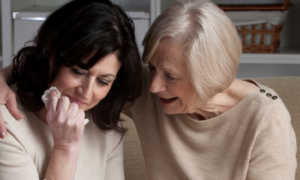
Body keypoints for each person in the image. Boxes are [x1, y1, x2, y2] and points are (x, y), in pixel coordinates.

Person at [0, 0, 297, 179]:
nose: (154, 86)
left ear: (209, 76)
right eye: (153, 67)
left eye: (171, 76)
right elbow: (63, 60)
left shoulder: (266, 121)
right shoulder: (142, 90)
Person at [0, 0, 142, 179]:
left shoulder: (105, 126)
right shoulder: (6, 124)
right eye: (78, 72)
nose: (87, 92)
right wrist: (65, 148)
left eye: (103, 81)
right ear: (51, 59)